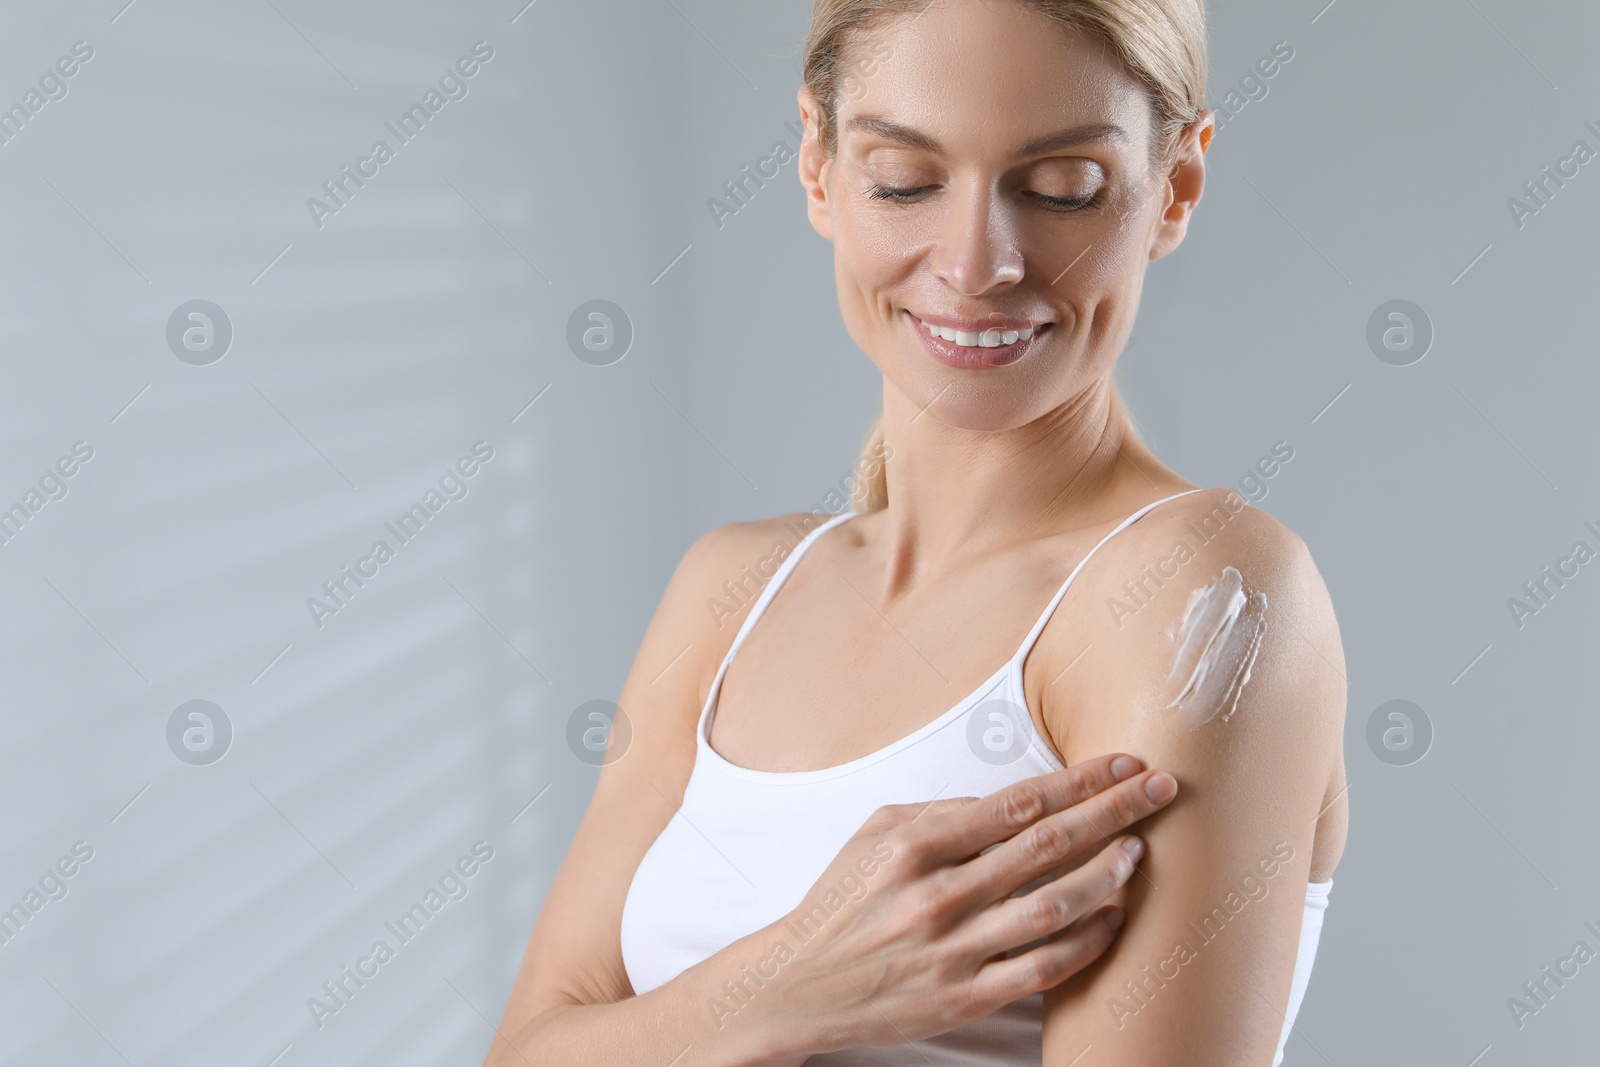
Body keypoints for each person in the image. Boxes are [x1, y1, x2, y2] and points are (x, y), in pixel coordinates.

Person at [485, 0, 1348, 1063]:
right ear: (817, 164)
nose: (977, 261)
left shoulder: (1198, 589)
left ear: (1174, 187)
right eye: (904, 178)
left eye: (1060, 188)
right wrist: (787, 983)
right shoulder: (734, 589)